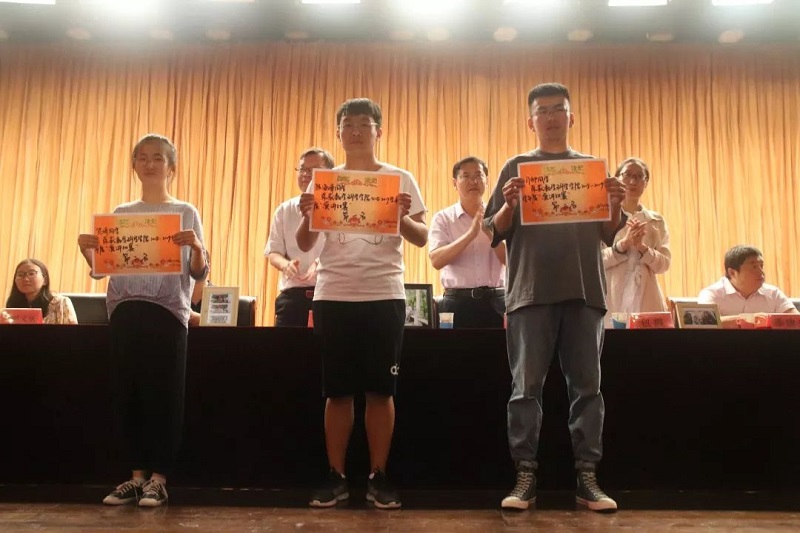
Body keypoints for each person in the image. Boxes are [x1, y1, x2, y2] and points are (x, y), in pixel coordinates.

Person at [484, 83, 625, 513]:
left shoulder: (590, 170)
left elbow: (609, 233)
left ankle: (588, 477)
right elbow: (494, 230)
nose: (550, 117)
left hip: (584, 291)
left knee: (588, 389)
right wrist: (510, 204)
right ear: (531, 121)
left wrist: (615, 204)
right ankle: (525, 474)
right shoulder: (517, 167)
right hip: (530, 293)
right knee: (525, 389)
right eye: (542, 111)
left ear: (571, 117)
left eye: (557, 109)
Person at [296, 98, 427, 510]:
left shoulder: (398, 178)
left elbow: (422, 237)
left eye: (364, 124)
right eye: (348, 124)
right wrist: (307, 214)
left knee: (380, 391)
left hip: (384, 294)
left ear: (378, 131)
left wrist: (401, 217)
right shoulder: (325, 181)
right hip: (333, 294)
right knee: (336, 392)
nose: (355, 130)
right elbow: (303, 244)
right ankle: (335, 476)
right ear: (338, 133)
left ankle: (378, 476)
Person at [78, 133, 208, 507]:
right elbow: (103, 270)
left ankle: (159, 478)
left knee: (164, 395)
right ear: (134, 164)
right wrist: (87, 252)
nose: (150, 164)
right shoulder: (121, 214)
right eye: (143, 157)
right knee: (128, 393)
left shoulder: (185, 211)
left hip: (167, 312)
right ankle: (136, 477)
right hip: (124, 310)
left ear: (171, 166)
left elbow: (199, 272)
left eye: (158, 158)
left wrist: (196, 247)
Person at [429, 156, 506, 328]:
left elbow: (512, 260)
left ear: (487, 181)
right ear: (454, 183)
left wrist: (491, 234)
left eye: (479, 175)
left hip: (497, 302)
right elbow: (436, 261)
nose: (473, 181)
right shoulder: (443, 218)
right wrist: (471, 234)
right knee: (455, 347)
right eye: (466, 176)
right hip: (456, 303)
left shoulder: (500, 216)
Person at [265, 148, 334, 326]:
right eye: (302, 169)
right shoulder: (284, 210)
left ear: (329, 174)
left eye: (313, 170)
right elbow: (273, 252)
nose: (305, 174)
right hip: (292, 298)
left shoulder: (339, 208)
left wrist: (321, 262)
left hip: (329, 295)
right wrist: (286, 265)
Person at [602, 158, 670, 325]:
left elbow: (664, 265)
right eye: (627, 175)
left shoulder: (656, 221)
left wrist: (642, 248)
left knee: (647, 341)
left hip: (647, 298)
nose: (633, 181)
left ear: (646, 183)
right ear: (618, 178)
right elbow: (595, 262)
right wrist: (623, 245)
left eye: (639, 176)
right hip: (612, 295)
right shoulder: (604, 217)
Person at [698, 245, 798, 328]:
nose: (761, 272)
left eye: (761, 266)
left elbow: (797, 320)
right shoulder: (711, 293)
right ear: (732, 273)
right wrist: (750, 319)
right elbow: (705, 322)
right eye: (754, 267)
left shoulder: (773, 294)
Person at [5, 258, 78, 324]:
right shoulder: (12, 303)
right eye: (20, 275)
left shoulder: (60, 303)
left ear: (45, 280)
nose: (26, 279)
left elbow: (72, 333)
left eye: (31, 273)